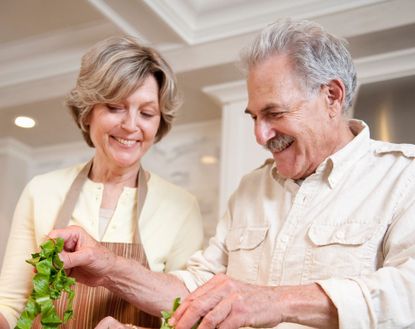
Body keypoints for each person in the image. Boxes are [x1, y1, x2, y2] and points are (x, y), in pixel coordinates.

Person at [49, 18, 415, 329]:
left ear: (332, 97)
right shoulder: (251, 189)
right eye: (254, 117)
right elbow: (197, 291)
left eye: (275, 113)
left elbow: (408, 291)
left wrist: (277, 301)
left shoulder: (402, 177)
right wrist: (109, 268)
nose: (260, 135)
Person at [0, 36, 204, 329]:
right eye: (115, 107)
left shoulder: (181, 206)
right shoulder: (41, 190)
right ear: (88, 111)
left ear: (160, 122)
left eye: (146, 113)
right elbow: (11, 305)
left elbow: (187, 315)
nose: (131, 125)